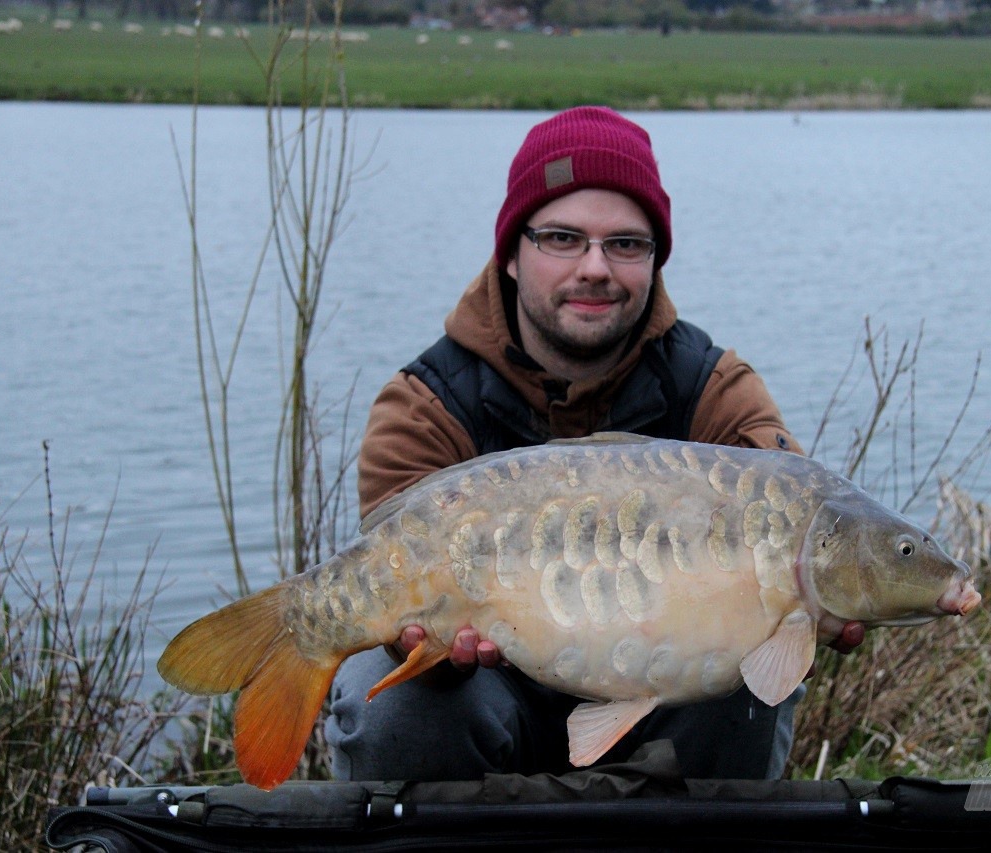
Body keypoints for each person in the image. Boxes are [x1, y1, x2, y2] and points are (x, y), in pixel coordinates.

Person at [325, 106, 863, 782]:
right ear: (512, 255)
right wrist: (423, 641)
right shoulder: (425, 406)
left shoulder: (716, 391)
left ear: (654, 259)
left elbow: (802, 530)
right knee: (391, 692)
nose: (595, 267)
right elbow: (389, 593)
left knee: (757, 664)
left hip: (668, 694)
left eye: (626, 244)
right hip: (485, 692)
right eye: (562, 238)